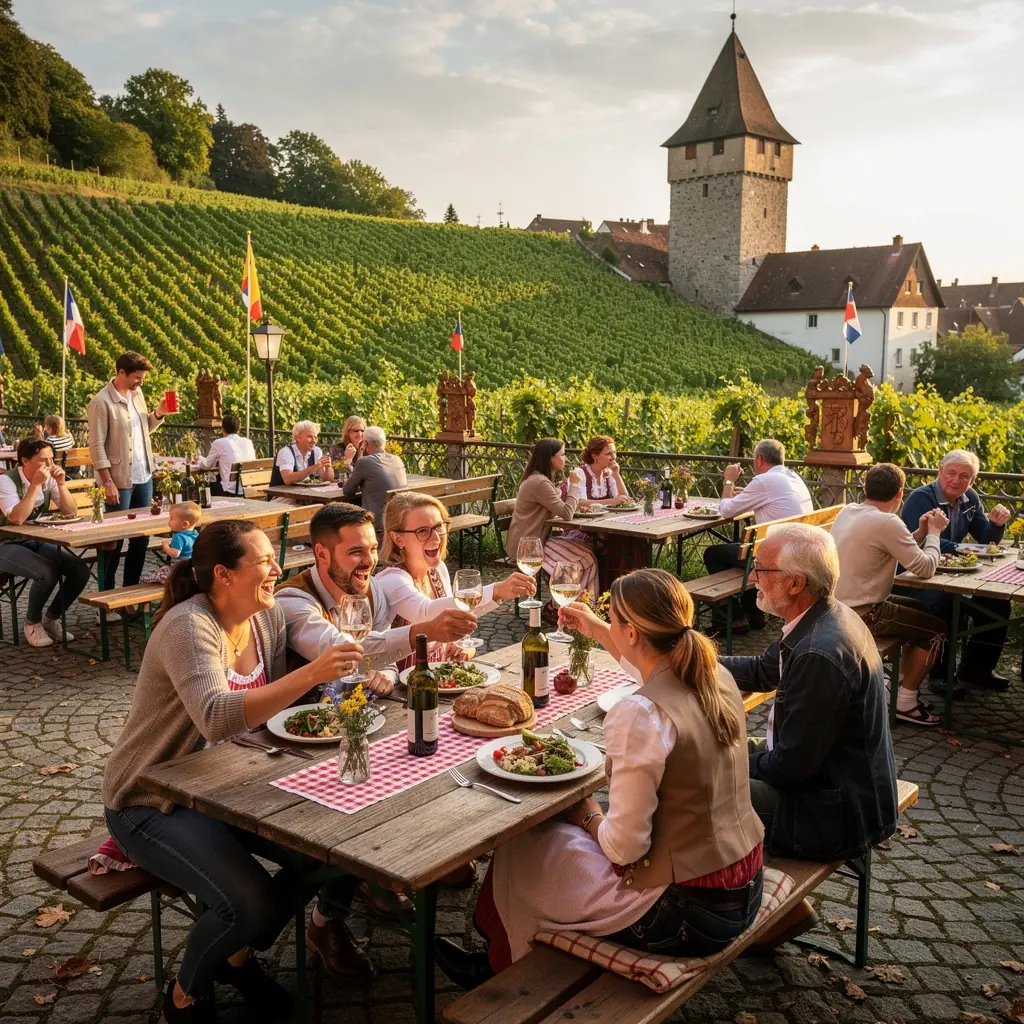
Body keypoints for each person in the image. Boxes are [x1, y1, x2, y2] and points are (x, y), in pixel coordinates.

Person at [435, 569, 765, 988]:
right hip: (743, 886)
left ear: (632, 633)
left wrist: (589, 814)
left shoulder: (640, 713)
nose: (611, 627)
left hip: (683, 915)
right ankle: (504, 958)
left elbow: (624, 849)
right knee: (551, 839)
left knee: (523, 841)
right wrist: (595, 627)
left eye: (614, 622)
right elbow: (646, 668)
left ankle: (500, 972)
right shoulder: (714, 674)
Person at [102, 520, 367, 1022]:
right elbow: (217, 715)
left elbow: (297, 691)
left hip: (229, 787)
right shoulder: (188, 626)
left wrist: (410, 640)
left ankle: (236, 957)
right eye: (264, 561)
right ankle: (185, 994)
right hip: (151, 799)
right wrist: (312, 673)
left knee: (337, 853)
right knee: (248, 902)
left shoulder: (266, 617)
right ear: (223, 575)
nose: (277, 569)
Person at [720, 524, 898, 946]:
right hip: (840, 785)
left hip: (834, 813)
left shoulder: (819, 650)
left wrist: (723, 766)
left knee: (697, 789)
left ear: (795, 583)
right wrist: (693, 657)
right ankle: (783, 910)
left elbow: (789, 767)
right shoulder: (821, 617)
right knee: (715, 754)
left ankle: (748, 912)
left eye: (761, 569)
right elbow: (764, 671)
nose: (752, 578)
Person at [276, 502, 479, 690]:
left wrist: (385, 677)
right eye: (356, 552)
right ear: (322, 554)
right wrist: (424, 632)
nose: (369, 561)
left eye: (373, 549)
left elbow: (387, 662)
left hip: (360, 712)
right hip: (302, 716)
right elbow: (340, 652)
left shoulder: (371, 589)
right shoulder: (292, 600)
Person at [832, 464, 947, 726]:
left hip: (838, 607)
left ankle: (897, 688)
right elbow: (926, 568)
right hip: (863, 614)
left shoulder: (848, 510)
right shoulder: (887, 521)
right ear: (900, 493)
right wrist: (935, 533)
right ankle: (905, 701)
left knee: (921, 610)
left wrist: (920, 533)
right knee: (937, 630)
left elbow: (888, 544)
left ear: (865, 488)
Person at [376, 491, 537, 669]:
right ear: (398, 539)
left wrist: (460, 646)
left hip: (439, 677)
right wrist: (496, 590)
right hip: (400, 683)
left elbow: (453, 615)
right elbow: (426, 612)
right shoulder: (391, 580)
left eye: (439, 527)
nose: (436, 538)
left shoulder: (437, 569)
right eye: (422, 531)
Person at [899, 449, 1013, 695]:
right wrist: (961, 548)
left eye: (964, 476)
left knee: (997, 603)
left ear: (972, 480)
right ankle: (940, 675)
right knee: (948, 603)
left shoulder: (969, 498)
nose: (956, 480)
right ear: (940, 472)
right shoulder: (921, 498)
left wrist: (996, 524)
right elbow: (915, 541)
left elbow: (985, 539)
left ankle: (976, 671)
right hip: (914, 579)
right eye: (951, 473)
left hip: (951, 574)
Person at [703, 439, 814, 634]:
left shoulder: (764, 480)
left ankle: (735, 619)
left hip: (778, 559)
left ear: (759, 459)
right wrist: (746, 494)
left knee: (713, 554)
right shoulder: (793, 477)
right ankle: (754, 612)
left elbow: (726, 511)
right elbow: (772, 499)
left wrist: (729, 481)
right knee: (742, 552)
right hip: (799, 553)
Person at [87, 352, 172, 590]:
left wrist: (159, 413)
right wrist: (107, 482)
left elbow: (143, 430)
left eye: (142, 378)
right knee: (114, 540)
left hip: (144, 476)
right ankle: (107, 595)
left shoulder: (138, 394)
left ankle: (131, 591)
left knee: (141, 538)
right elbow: (96, 446)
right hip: (118, 480)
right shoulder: (101, 402)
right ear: (121, 372)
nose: (140, 382)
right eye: (137, 377)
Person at [0, 437, 91, 647]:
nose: (50, 464)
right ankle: (32, 623)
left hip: (34, 540)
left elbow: (71, 512)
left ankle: (51, 618)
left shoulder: (48, 479)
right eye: (43, 460)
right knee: (47, 573)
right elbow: (17, 518)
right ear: (25, 461)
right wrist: (34, 485)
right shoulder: (6, 481)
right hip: (5, 544)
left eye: (52, 459)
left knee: (79, 570)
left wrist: (61, 485)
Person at [506, 438, 598, 602]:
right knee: (585, 559)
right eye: (562, 454)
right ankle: (572, 604)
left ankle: (580, 604)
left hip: (537, 539)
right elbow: (566, 514)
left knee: (588, 553)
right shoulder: (539, 482)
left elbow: (560, 511)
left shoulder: (541, 480)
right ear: (550, 458)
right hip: (527, 546)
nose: (566, 459)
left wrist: (575, 508)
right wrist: (574, 485)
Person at [566, 435, 645, 590]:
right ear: (595, 456)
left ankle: (632, 588)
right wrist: (612, 501)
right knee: (620, 543)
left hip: (606, 527)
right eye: (609, 453)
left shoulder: (608, 474)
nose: (613, 457)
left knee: (635, 540)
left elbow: (625, 500)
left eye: (614, 453)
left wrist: (617, 475)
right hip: (583, 529)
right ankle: (610, 588)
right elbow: (579, 502)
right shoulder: (580, 473)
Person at [341, 426, 408, 531]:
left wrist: (359, 454)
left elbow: (347, 491)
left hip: (376, 524)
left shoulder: (365, 462)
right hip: (399, 520)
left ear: (365, 443)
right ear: (384, 442)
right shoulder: (397, 459)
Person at [140, 501, 201, 585]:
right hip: (192, 568)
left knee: (152, 575)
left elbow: (175, 554)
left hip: (179, 569)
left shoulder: (179, 537)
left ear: (184, 524)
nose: (169, 521)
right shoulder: (195, 534)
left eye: (172, 519)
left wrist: (166, 547)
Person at [194, 413, 256, 496]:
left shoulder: (220, 443)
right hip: (248, 488)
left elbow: (206, 465)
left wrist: (199, 458)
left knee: (206, 486)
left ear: (222, 429)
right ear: (238, 429)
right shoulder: (248, 442)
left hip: (230, 490)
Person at [268, 420, 334, 490]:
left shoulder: (316, 451)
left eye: (315, 437)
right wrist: (315, 466)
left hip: (306, 494)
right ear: (297, 438)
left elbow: (328, 480)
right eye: (309, 436)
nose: (314, 441)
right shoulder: (286, 452)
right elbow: (288, 479)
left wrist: (328, 467)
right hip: (281, 495)